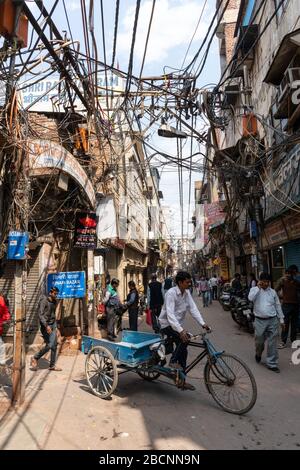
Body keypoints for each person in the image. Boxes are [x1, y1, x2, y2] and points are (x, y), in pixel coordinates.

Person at [159, 271, 211, 390]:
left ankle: (181, 381)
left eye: (190, 282)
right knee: (185, 340)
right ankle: (172, 361)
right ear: (180, 282)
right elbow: (170, 315)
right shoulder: (171, 294)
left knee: (184, 352)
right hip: (166, 324)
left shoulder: (186, 293)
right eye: (187, 282)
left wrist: (203, 323)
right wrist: (181, 331)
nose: (189, 284)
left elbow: (193, 309)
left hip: (177, 325)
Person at [248, 273, 285, 373]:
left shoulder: (273, 292)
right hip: (259, 320)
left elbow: (277, 306)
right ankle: (258, 353)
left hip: (272, 320)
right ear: (260, 281)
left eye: (267, 282)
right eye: (264, 281)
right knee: (259, 341)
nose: (266, 283)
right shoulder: (254, 290)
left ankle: (272, 363)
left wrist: (281, 320)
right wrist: (258, 288)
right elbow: (250, 298)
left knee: (272, 342)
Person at [30, 287, 62, 371]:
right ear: (50, 293)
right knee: (50, 345)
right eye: (55, 294)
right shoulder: (44, 301)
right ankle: (35, 357)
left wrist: (56, 327)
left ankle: (52, 365)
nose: (56, 295)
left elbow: (53, 315)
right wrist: (46, 326)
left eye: (57, 294)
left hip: (53, 325)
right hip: (45, 326)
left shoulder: (54, 301)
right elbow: (40, 315)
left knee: (54, 345)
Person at [276, 268, 300, 349]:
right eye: (286, 273)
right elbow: (276, 290)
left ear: (293, 274)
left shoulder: (297, 282)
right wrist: (280, 298)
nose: (288, 275)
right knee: (285, 324)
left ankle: (294, 341)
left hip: (295, 305)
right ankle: (283, 341)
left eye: (289, 273)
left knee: (294, 324)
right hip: (286, 305)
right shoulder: (282, 281)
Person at [0, 293, 10, 366]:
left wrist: (5, 319)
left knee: (1, 344)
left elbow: (5, 311)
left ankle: (2, 361)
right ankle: (2, 360)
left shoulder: (1, 300)